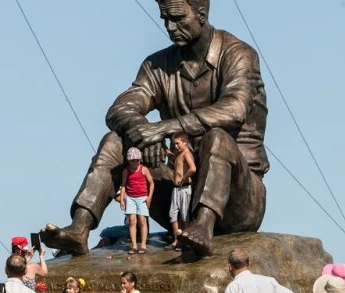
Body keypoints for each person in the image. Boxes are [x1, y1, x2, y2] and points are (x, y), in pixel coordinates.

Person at [41, 0, 269, 257]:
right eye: (165, 19)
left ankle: (203, 227)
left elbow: (235, 109)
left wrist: (161, 130)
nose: (170, 27)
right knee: (116, 140)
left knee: (217, 138)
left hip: (239, 198)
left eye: (178, 18)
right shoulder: (157, 65)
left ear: (201, 14)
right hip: (180, 191)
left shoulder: (239, 55)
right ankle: (79, 228)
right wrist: (143, 134)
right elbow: (119, 109)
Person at [119, 147, 155, 254]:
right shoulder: (126, 171)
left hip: (142, 197)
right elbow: (123, 185)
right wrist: (122, 199)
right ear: (129, 161)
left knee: (142, 220)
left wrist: (149, 197)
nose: (135, 162)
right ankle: (134, 246)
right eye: (133, 160)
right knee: (132, 221)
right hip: (130, 198)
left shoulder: (144, 169)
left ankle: (143, 245)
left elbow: (151, 183)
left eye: (137, 160)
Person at [167, 132, 196, 250]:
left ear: (185, 142)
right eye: (174, 144)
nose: (176, 146)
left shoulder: (187, 154)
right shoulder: (179, 154)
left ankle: (185, 241)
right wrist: (169, 154)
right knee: (173, 214)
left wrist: (184, 178)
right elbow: (176, 161)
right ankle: (177, 240)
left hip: (184, 188)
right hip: (176, 188)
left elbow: (193, 168)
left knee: (184, 216)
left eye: (178, 144)